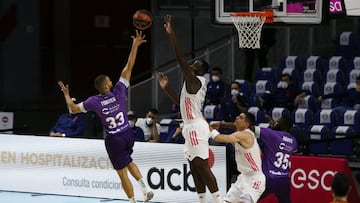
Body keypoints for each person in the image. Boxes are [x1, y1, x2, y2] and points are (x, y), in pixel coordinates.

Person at [57, 30, 153, 203]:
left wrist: (66, 93)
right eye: (109, 79)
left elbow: (72, 109)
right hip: (127, 134)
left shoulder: (94, 102)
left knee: (121, 173)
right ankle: (144, 187)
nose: (111, 80)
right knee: (129, 161)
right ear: (108, 85)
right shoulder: (119, 90)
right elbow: (129, 66)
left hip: (114, 139)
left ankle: (132, 201)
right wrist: (135, 45)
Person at [157, 15, 222, 203]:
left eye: (196, 64)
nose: (193, 64)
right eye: (193, 63)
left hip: (195, 126)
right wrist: (166, 88)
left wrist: (172, 34)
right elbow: (181, 102)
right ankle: (202, 200)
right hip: (189, 125)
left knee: (202, 166)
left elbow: (180, 58)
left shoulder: (195, 80)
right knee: (194, 167)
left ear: (200, 71)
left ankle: (218, 200)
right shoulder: (191, 84)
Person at [212, 114, 297, 203]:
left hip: (269, 178)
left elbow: (248, 128)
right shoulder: (294, 141)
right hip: (284, 180)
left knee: (248, 198)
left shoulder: (272, 134)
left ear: (281, 124)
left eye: (277, 122)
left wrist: (222, 125)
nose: (274, 122)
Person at [210, 112, 266, 203]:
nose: (236, 117)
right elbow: (234, 126)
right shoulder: (243, 133)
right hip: (243, 177)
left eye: (241, 118)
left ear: (246, 124)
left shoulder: (245, 135)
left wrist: (205, 125)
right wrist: (221, 125)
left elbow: (218, 138)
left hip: (254, 179)